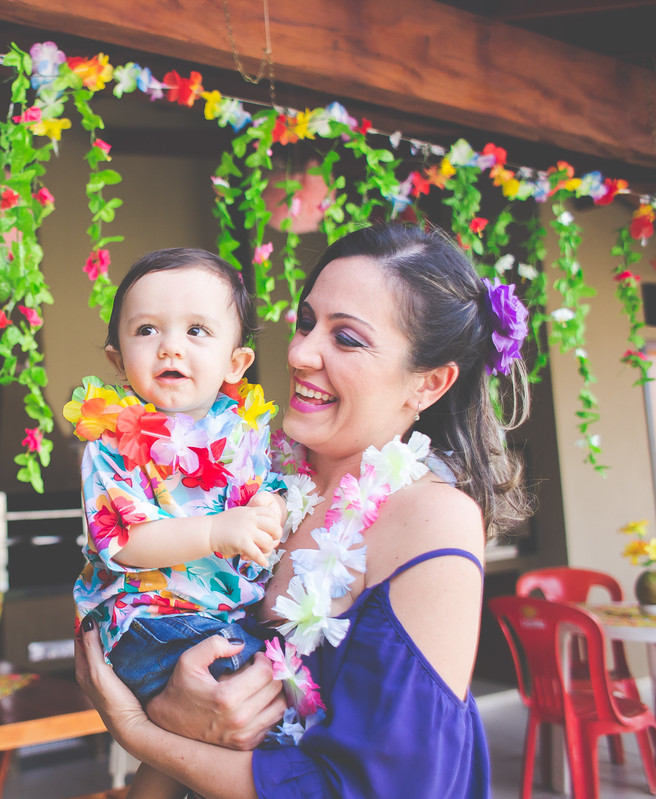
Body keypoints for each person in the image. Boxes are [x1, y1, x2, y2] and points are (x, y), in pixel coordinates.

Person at [75, 223, 531, 798]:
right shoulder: (257, 467)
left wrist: (142, 730)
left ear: (429, 384)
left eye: (348, 339)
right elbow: (125, 582)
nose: (299, 352)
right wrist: (168, 700)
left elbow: (379, 790)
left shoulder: (432, 519)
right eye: (308, 322)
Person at [65, 248, 288, 799]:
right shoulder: (111, 442)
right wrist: (216, 532)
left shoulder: (243, 428)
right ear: (119, 361)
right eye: (147, 329)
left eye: (196, 330)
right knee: (259, 688)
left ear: (235, 364)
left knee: (212, 720)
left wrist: (271, 510)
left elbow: (272, 491)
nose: (171, 346)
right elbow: (124, 541)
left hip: (218, 616)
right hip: (145, 622)